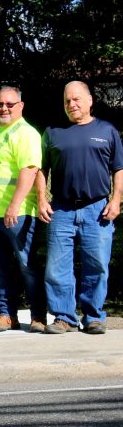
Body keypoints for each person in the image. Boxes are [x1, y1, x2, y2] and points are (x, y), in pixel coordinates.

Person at [36, 81, 123, 335]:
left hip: (97, 210)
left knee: (96, 264)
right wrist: (42, 199)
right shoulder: (53, 132)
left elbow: (119, 169)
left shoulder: (107, 131)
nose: (71, 105)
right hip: (61, 209)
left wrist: (116, 199)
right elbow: (41, 170)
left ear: (89, 100)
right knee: (57, 267)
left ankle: (94, 317)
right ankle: (64, 317)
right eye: (67, 101)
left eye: (76, 100)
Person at [0, 87, 46, 333]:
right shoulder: (1, 132)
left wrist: (14, 206)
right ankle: (8, 315)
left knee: (26, 266)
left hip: (15, 214)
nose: (3, 108)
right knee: (1, 267)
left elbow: (29, 170)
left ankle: (38, 315)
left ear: (21, 105)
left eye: (9, 103)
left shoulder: (25, 133)